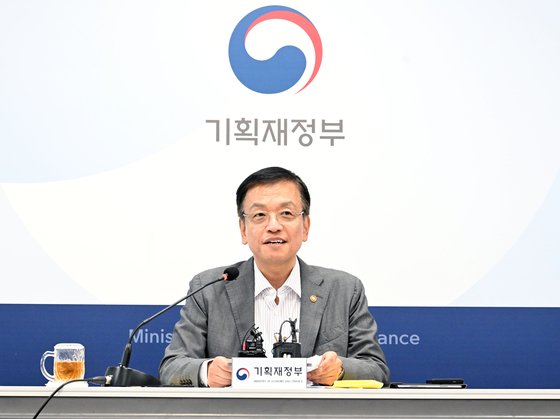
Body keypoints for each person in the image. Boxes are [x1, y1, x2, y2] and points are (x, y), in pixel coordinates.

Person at [159, 167, 390, 387]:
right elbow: (172, 367)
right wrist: (207, 371)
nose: (274, 226)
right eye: (259, 215)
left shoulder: (345, 290)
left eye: (286, 213)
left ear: (305, 226)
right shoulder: (209, 288)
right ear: (243, 230)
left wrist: (339, 370)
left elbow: (376, 370)